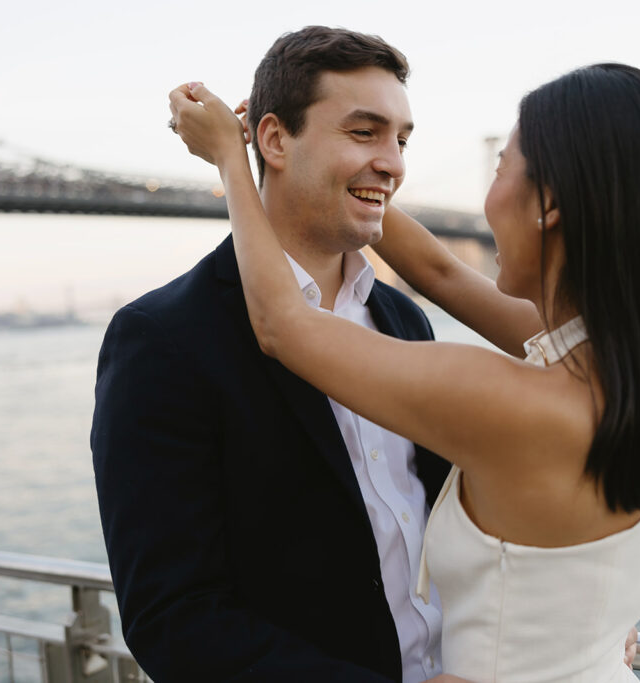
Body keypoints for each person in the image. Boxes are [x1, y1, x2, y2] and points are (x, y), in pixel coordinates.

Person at [169, 61, 640, 682]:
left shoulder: (512, 402)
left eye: (503, 167)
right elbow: (442, 273)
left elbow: (283, 325)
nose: (396, 162)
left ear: (549, 203)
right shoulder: (639, 369)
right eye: (372, 134)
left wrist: (235, 162)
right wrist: (350, 178)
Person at [93, 27, 454, 682]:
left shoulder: (404, 320)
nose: (394, 162)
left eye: (401, 138)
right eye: (365, 132)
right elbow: (174, 618)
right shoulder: (161, 338)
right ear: (273, 139)